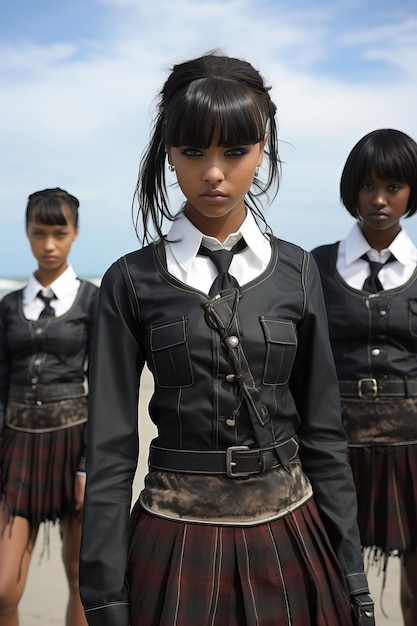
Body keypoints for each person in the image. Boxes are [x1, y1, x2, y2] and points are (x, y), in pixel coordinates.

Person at [79, 53, 374, 626]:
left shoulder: (299, 272)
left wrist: (353, 575)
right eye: (193, 152)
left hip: (295, 535)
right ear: (168, 150)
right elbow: (111, 453)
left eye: (234, 152)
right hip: (174, 538)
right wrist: (105, 598)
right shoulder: (129, 282)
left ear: (262, 147)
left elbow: (324, 436)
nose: (213, 172)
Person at [312, 128, 417, 626]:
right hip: (336, 451)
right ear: (351, 190)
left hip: (414, 450)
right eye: (368, 186)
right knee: (338, 587)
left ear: (412, 191)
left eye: (393, 187)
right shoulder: (313, 268)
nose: (379, 200)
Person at [0, 188, 99, 626]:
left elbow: (103, 389)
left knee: (81, 578)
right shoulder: (7, 307)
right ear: (26, 233)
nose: (49, 245)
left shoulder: (93, 301)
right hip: (17, 452)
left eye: (59, 233)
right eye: (39, 233)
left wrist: (86, 465)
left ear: (75, 233)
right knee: (3, 588)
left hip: (72, 445)